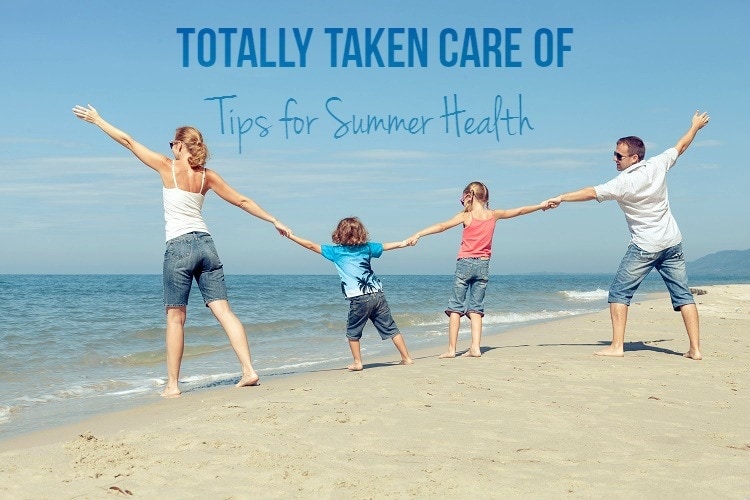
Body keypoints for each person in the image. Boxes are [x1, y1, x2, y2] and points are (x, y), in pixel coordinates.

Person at [72, 104, 291, 397]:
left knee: (176, 318)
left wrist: (98, 120)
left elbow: (128, 141)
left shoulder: (167, 166)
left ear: (179, 146)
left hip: (179, 247)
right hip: (206, 244)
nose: (171, 148)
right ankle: (249, 370)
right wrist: (273, 220)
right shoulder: (206, 176)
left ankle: (173, 385)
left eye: (172, 143)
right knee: (224, 312)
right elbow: (242, 201)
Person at [547, 111, 710, 360]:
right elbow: (682, 145)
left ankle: (616, 347)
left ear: (634, 157)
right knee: (683, 295)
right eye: (614, 153)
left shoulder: (622, 183)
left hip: (645, 246)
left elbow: (591, 192)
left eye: (619, 155)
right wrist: (695, 126)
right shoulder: (657, 165)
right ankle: (695, 350)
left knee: (619, 294)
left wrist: (561, 197)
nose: (614, 159)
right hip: (672, 242)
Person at [407, 182, 551, 358]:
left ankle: (452, 350)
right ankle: (475, 347)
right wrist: (540, 206)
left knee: (455, 307)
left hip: (465, 264)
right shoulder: (493, 214)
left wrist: (419, 234)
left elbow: (442, 226)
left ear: (469, 195)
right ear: (486, 197)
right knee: (476, 309)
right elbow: (519, 210)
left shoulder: (466, 216)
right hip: (483, 265)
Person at [285, 217, 413, 371]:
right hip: (377, 293)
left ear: (339, 234)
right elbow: (387, 246)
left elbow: (311, 245)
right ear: (361, 233)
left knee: (353, 332)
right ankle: (406, 358)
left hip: (359, 298)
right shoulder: (367, 248)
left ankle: (358, 362)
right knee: (391, 328)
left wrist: (290, 236)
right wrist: (405, 243)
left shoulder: (336, 252)